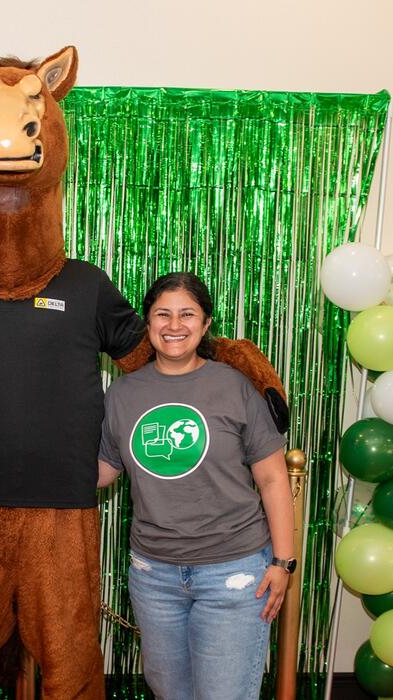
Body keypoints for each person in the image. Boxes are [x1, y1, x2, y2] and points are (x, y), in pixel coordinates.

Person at [97, 272, 295, 700]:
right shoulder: (123, 394)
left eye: (187, 314)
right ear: (147, 325)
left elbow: (273, 477)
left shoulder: (235, 386)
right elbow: (104, 470)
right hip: (153, 575)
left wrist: (284, 562)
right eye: (162, 314)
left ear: (205, 324)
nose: (174, 325)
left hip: (234, 572)